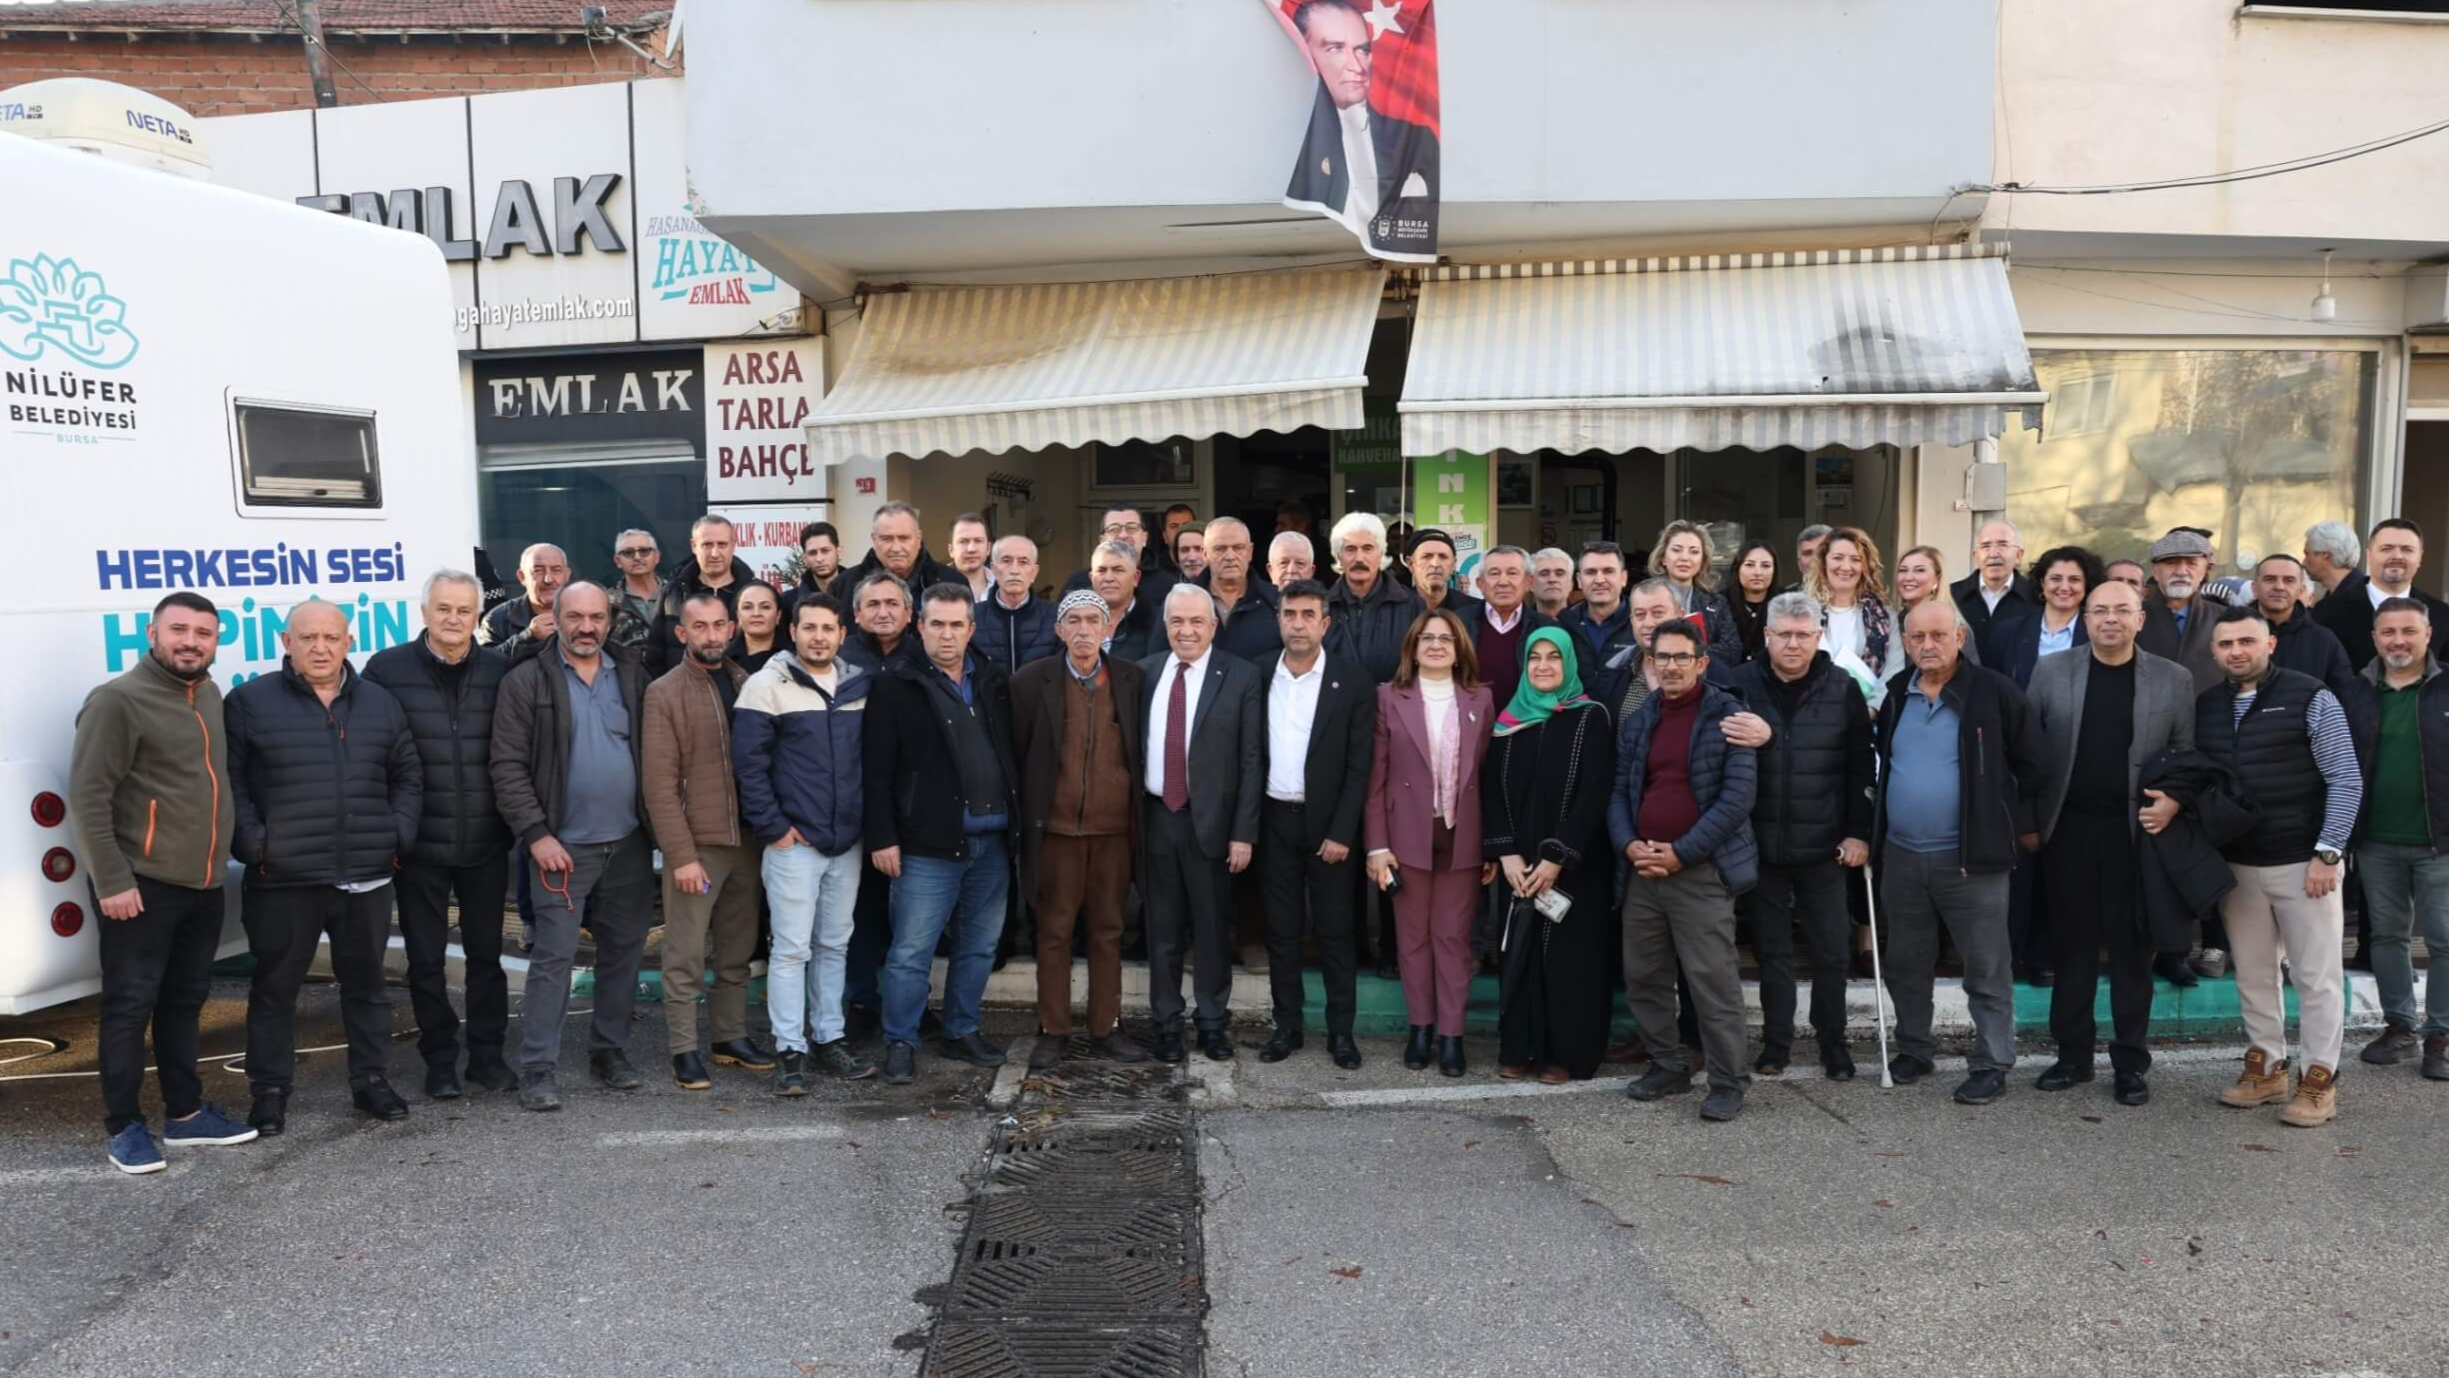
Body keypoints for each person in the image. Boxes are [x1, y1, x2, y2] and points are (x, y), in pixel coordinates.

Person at [71, 591, 254, 1173]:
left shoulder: (210, 695)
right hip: (140, 886)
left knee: (183, 1003)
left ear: (216, 641)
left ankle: (185, 1114)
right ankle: (124, 1126)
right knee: (129, 1007)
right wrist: (111, 881)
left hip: (200, 885)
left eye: (204, 632)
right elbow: (88, 797)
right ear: (152, 634)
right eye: (179, 629)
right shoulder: (117, 701)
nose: (191, 642)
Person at [225, 599, 422, 1132]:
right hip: (283, 876)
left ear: (348, 643)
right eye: (307, 637)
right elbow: (232, 785)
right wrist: (255, 844)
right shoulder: (248, 702)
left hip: (367, 872)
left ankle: (371, 1081)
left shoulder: (381, 704)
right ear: (286, 643)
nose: (320, 647)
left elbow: (407, 776)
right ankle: (269, 1091)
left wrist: (396, 833)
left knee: (366, 987)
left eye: (331, 637)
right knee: (274, 990)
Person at [2026, 578, 2195, 1107]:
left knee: (2131, 954)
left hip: (2137, 836)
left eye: (2122, 610)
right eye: (2099, 611)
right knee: (2072, 948)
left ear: (2140, 618)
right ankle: (2072, 1057)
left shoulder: (2173, 679)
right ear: (2085, 617)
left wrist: (2173, 801)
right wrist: (2029, 823)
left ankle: (2130, 1063)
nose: (2110, 620)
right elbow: (2028, 753)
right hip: (2068, 832)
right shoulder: (2051, 671)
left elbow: (2186, 756)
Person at [490, 582, 657, 1112]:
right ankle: (538, 1068)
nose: (587, 627)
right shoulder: (525, 681)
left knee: (623, 954)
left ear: (609, 620)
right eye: (576, 617)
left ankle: (609, 1051)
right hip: (561, 850)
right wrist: (537, 836)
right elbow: (507, 767)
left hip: (628, 843)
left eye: (597, 617)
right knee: (553, 960)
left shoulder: (632, 675)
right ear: (555, 619)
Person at [1876, 599, 2044, 1106]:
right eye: (1917, 637)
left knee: (1986, 967)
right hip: (1902, 856)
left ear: (1959, 638)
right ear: (1905, 643)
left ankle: (1992, 1061)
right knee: (1907, 962)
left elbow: (2034, 763)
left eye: (1937, 635)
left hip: (1972, 858)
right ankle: (1914, 1048)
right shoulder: (1895, 696)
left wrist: (2010, 824)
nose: (1927, 645)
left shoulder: (1994, 693)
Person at [2200, 604, 2362, 1127]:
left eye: (2246, 642)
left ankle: (2319, 1081)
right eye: (2226, 645)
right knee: (2252, 974)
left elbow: (2345, 778)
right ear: (2214, 651)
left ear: (2269, 644)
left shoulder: (2312, 696)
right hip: (2238, 866)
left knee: (2316, 979)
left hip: (2304, 864)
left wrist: (2328, 852)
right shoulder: (2206, 706)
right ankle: (2267, 1070)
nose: (2236, 652)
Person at [364, 570, 515, 1101]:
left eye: (464, 610)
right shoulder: (385, 671)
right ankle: (440, 1059)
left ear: (478, 616)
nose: (454, 619)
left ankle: (488, 1055)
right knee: (425, 959)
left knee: (486, 956)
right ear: (424, 612)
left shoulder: (501, 670)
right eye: (444, 608)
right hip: (419, 844)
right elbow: (370, 755)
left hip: (485, 841)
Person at [864, 585, 1021, 1084]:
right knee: (911, 952)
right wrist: (883, 838)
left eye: (957, 624)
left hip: (992, 842)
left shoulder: (994, 680)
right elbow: (877, 772)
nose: (947, 634)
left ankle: (961, 1031)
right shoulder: (896, 684)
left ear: (971, 629)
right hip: (925, 847)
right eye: (937, 624)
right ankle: (900, 1041)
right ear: (920, 626)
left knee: (978, 947)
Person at [1608, 619, 1758, 1121]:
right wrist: (1629, 845)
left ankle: (1728, 1081)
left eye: (1680, 657)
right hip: (1643, 872)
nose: (1670, 666)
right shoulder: (1640, 719)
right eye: (1661, 658)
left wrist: (1682, 851)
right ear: (1650, 664)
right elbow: (1620, 793)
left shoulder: (1728, 715)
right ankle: (1669, 1065)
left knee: (1712, 983)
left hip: (1699, 871)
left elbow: (1737, 800)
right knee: (1645, 976)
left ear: (1701, 663)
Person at [1725, 593, 1875, 1080]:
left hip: (1825, 847)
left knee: (1832, 952)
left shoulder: (1841, 686)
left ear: (1818, 637)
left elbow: (1858, 769)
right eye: (1783, 634)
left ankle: (1834, 1044)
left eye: (1803, 635)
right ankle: (1776, 1044)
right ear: (1767, 636)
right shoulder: (1739, 684)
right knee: (1772, 953)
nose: (1793, 644)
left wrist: (1858, 833)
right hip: (1760, 844)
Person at [732, 592, 877, 1091]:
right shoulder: (764, 687)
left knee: (834, 944)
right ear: (792, 631)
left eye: (828, 628)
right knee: (792, 950)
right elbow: (748, 767)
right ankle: (789, 1048)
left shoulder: (858, 684)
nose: (819, 636)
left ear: (842, 633)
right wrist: (774, 828)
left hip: (847, 840)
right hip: (794, 843)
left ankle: (828, 1037)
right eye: (809, 627)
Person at [1011, 591, 1151, 1069]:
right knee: (1054, 932)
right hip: (1055, 832)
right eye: (1074, 620)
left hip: (1114, 833)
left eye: (1094, 619)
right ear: (1059, 629)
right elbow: (1020, 755)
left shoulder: (1132, 679)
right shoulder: (1032, 682)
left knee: (1107, 932)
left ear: (1109, 626)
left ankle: (1105, 1026)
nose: (1085, 630)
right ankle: (1053, 1030)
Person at [643, 592, 772, 1089]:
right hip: (697, 849)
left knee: (737, 951)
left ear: (732, 629)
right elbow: (657, 783)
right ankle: (683, 1050)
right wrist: (680, 855)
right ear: (682, 633)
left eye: (720, 625)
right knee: (686, 954)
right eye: (700, 627)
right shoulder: (664, 692)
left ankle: (729, 1037)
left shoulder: (746, 681)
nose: (712, 635)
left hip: (747, 842)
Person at [1135, 584, 1265, 1061]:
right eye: (1176, 621)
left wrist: (1243, 833)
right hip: (1155, 820)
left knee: (1212, 933)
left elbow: (1253, 760)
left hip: (1211, 825)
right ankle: (1166, 1024)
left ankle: (1212, 1024)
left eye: (1196, 622)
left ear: (1213, 626)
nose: (1186, 630)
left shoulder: (1242, 676)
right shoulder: (1143, 674)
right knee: (1163, 932)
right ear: (1165, 624)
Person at [1482, 628, 1617, 1082]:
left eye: (1553, 658)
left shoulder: (1590, 717)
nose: (1543, 666)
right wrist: (1506, 856)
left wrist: (1558, 857)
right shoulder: (1507, 722)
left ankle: (1565, 1054)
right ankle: (1519, 1048)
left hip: (1574, 867)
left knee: (1568, 963)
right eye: (1535, 657)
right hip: (1520, 867)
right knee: (1520, 953)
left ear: (1568, 665)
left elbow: (1594, 792)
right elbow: (1491, 793)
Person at [1367, 608, 1494, 1077]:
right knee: (1413, 939)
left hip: (1463, 836)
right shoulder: (1388, 698)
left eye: (1446, 638)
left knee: (1452, 939)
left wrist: (1493, 848)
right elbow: (1375, 780)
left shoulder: (1481, 699)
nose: (1437, 645)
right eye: (1427, 639)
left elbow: (1487, 774)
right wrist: (1376, 846)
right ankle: (1420, 1029)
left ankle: (1451, 1036)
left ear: (1460, 647)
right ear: (1413, 649)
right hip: (1405, 837)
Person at [1255, 581, 1376, 1069]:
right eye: (1290, 614)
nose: (1298, 623)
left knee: (1334, 933)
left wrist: (1343, 832)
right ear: (1279, 619)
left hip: (1329, 828)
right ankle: (1287, 1027)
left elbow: (1359, 766)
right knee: (1281, 934)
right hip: (1274, 821)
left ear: (1325, 623)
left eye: (1309, 615)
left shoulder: (1353, 680)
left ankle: (1341, 1033)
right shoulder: (1258, 673)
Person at [2347, 598, 2449, 1080]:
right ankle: (2400, 1027)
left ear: (2428, 635)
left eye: (2409, 631)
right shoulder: (2357, 692)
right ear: (2375, 638)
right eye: (2388, 632)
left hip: (2441, 842)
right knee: (2386, 937)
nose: (2399, 641)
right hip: (2376, 840)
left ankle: (2441, 1036)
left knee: (2445, 940)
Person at [1282, 0, 1439, 249]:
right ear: (1306, 48)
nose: (1356, 67)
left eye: (1363, 50)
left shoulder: (1417, 138)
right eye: (1336, 48)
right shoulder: (1298, 143)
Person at [2314, 517, 2449, 671]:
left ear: (2420, 558)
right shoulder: (2328, 612)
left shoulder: (2442, 616)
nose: (2397, 556)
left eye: (2407, 549)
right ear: (2369, 555)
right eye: (2386, 548)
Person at [645, 515, 757, 676]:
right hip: (683, 694)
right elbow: (655, 653)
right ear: (693, 546)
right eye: (707, 545)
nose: (714, 553)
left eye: (722, 544)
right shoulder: (673, 593)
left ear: (733, 545)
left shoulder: (753, 594)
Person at [1805, 526, 1903, 705]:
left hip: (1867, 719)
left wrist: (1871, 709)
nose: (1846, 566)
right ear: (1823, 562)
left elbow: (1894, 670)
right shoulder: (1803, 612)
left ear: (1865, 566)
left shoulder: (1885, 617)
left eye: (1855, 559)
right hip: (1809, 716)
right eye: (1837, 558)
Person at [1325, 512, 1424, 683]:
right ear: (1339, 556)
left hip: (1392, 707)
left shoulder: (1411, 606)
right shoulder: (1322, 607)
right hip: (1338, 708)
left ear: (1380, 553)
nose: (1359, 558)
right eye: (1350, 549)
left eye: (1367, 548)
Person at [1992, 546, 2100, 689]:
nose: (2064, 587)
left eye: (2074, 580)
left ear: (2086, 584)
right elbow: (1992, 687)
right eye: (2056, 579)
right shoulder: (2008, 631)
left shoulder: (2098, 633)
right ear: (2043, 582)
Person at [2253, 554, 2357, 698]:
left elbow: (2345, 698)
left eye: (2289, 580)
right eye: (2269, 579)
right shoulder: (2231, 634)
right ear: (2254, 588)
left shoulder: (2323, 641)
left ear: (2301, 590)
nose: (2279, 587)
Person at [2134, 527, 2224, 692]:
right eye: (2171, 563)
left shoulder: (2224, 620)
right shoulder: (2132, 618)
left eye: (2191, 563)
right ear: (2155, 571)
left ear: (2204, 571)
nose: (2181, 571)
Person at [1466, 545, 1554, 710]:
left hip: (1527, 726)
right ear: (1480, 583)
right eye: (1494, 574)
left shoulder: (1547, 629)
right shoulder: (1458, 624)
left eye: (1512, 573)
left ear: (1529, 582)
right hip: (1469, 727)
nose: (1503, 582)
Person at [827, 501, 960, 608]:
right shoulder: (842, 588)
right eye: (887, 539)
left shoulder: (953, 582)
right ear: (874, 539)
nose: (896, 548)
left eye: (904, 538)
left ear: (918, 539)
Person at [1649, 520, 1744, 665]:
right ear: (1663, 558)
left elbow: (1733, 650)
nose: (1685, 558)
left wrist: (1689, 653)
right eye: (1676, 550)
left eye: (1694, 551)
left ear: (1702, 561)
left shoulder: (1717, 603)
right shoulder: (1645, 598)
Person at [1560, 542, 1637, 714]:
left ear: (1624, 578)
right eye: (1591, 572)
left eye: (1608, 571)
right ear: (1579, 580)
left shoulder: (1642, 623)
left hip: (1628, 733)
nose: (1600, 580)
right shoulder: (1563, 625)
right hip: (1577, 731)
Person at [1951, 519, 2037, 663]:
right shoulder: (1952, 595)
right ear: (1975, 555)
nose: (1993, 553)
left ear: (2019, 555)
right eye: (1985, 546)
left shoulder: (2036, 597)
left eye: (2003, 545)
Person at [973, 534, 1058, 676]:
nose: (1014, 570)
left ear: (1034, 572)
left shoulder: (1055, 616)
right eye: (1006, 561)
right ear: (993, 569)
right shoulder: (973, 616)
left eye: (1023, 562)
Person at [1201, 517, 1282, 662]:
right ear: (1205, 553)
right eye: (1220, 549)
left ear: (1250, 552)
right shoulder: (1182, 603)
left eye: (1238, 548)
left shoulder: (1276, 602)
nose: (1230, 556)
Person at [478, 542, 570, 665]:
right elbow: (483, 666)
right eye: (538, 571)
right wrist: (528, 637)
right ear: (522, 577)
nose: (548, 579)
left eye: (556, 570)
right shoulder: (497, 619)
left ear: (567, 575)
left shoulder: (588, 612)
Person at [1064, 503, 1177, 602]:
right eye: (1114, 529)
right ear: (1101, 540)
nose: (1123, 535)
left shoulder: (1167, 585)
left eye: (1131, 528)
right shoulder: (1078, 583)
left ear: (1144, 538)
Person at [1088, 538, 1161, 663]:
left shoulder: (1157, 622)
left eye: (1118, 570)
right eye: (1101, 570)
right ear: (1091, 578)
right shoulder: (1075, 620)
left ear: (1136, 578)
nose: (1109, 578)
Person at [842, 570, 922, 675]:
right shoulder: (838, 656)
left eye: (892, 604)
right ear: (857, 614)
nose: (883, 614)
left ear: (908, 613)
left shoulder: (924, 657)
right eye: (873, 604)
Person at [1408, 529, 1481, 621]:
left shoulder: (1475, 611)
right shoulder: (1396, 611)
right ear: (1410, 564)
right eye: (1426, 556)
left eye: (1443, 557)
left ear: (1454, 565)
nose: (1435, 564)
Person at [1725, 539, 1778, 663]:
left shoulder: (1786, 603)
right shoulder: (1719, 604)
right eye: (1749, 565)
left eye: (1765, 566)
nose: (1757, 572)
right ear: (1738, 568)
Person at [609, 528, 663, 648]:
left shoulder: (679, 595)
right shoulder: (607, 603)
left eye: (644, 551)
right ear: (618, 561)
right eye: (628, 552)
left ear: (657, 557)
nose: (637, 557)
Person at [728, 580, 785, 675]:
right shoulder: (724, 658)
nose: (756, 613)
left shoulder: (794, 658)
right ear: (738, 615)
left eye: (765, 607)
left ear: (778, 615)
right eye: (747, 607)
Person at [2302, 519, 2361, 602]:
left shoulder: (2362, 599)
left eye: (2307, 554)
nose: (2303, 563)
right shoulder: (2335, 597)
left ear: (2325, 554)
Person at [947, 512, 993, 600]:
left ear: (988, 548)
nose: (971, 549)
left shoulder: (1003, 585)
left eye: (978, 541)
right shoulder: (932, 586)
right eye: (963, 541)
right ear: (951, 550)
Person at [1530, 548, 1576, 619]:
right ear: (1531, 584)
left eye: (1559, 574)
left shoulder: (1586, 624)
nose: (1552, 579)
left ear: (1570, 584)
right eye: (1544, 574)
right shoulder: (1519, 625)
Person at [1792, 525, 1832, 593]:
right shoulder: (1787, 601)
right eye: (1808, 553)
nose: (1815, 559)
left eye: (1822, 551)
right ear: (1799, 564)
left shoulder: (1855, 599)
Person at [1160, 503, 1200, 571]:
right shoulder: (1155, 570)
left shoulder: (1209, 565)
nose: (1181, 530)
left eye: (1187, 525)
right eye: (1174, 526)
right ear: (1165, 536)